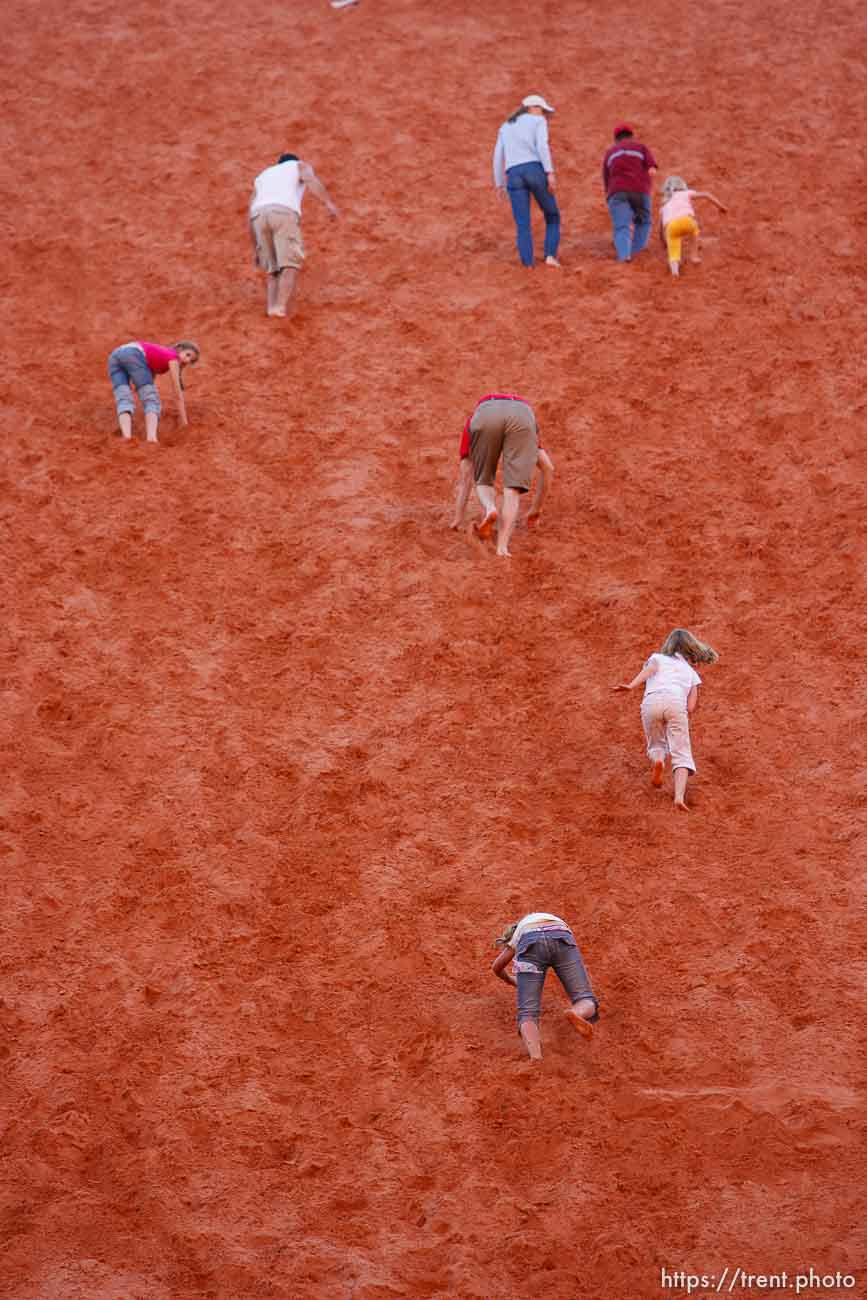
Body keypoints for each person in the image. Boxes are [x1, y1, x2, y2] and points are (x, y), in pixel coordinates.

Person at [614, 628, 719, 811]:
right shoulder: (692, 674)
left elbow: (649, 671)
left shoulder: (657, 658)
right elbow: (691, 707)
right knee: (682, 753)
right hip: (676, 705)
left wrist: (631, 686)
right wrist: (679, 719)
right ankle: (679, 797)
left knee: (655, 744)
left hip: (651, 702)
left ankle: (659, 759)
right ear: (690, 649)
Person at [491, 912, 598, 1061]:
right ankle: (577, 1013)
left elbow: (496, 967)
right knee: (585, 998)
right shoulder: (548, 918)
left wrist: (510, 980)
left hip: (529, 941)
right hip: (561, 934)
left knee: (527, 1013)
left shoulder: (519, 934)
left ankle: (536, 1058)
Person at [449, 394, 544, 557]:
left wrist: (457, 519)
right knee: (513, 489)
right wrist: (536, 508)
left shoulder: (472, 420)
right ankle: (503, 547)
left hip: (486, 413)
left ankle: (490, 508)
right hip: (523, 414)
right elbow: (548, 468)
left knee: (482, 479)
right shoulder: (524, 417)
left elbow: (466, 478)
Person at [249, 152, 340, 318]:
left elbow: (251, 210)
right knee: (290, 264)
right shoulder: (298, 165)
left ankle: (271, 308)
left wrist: (256, 247)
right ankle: (280, 307)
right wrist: (328, 203)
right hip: (282, 213)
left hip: (258, 216)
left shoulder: (262, 176)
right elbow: (310, 180)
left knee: (273, 269)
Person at [493, 95, 561, 269]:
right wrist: (550, 172)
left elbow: (498, 156)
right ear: (533, 108)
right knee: (552, 215)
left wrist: (499, 183)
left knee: (523, 224)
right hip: (534, 170)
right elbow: (542, 146)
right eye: (542, 109)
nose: (543, 113)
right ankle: (550, 255)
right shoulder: (538, 121)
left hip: (513, 174)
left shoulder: (505, 126)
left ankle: (528, 264)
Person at [107, 340, 200, 443]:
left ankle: (127, 438)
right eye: (187, 355)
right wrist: (184, 422)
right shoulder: (173, 358)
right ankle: (151, 439)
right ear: (179, 349)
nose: (187, 361)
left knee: (124, 399)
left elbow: (149, 374)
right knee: (152, 401)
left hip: (115, 356)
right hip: (133, 353)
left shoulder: (163, 353)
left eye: (191, 360)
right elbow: (177, 393)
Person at [602, 123, 658, 262]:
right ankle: (636, 252)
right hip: (640, 190)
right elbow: (652, 168)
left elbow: (606, 177)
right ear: (632, 136)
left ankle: (624, 256)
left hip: (617, 191)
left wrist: (610, 197)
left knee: (622, 225)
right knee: (644, 221)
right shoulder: (641, 147)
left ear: (616, 139)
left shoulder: (610, 152)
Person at [659, 176, 728, 277]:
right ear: (682, 185)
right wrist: (722, 207)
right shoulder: (686, 193)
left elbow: (661, 229)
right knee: (694, 232)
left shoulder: (664, 205)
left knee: (673, 251)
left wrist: (664, 242)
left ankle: (675, 271)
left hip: (670, 227)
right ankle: (694, 256)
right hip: (687, 221)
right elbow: (706, 195)